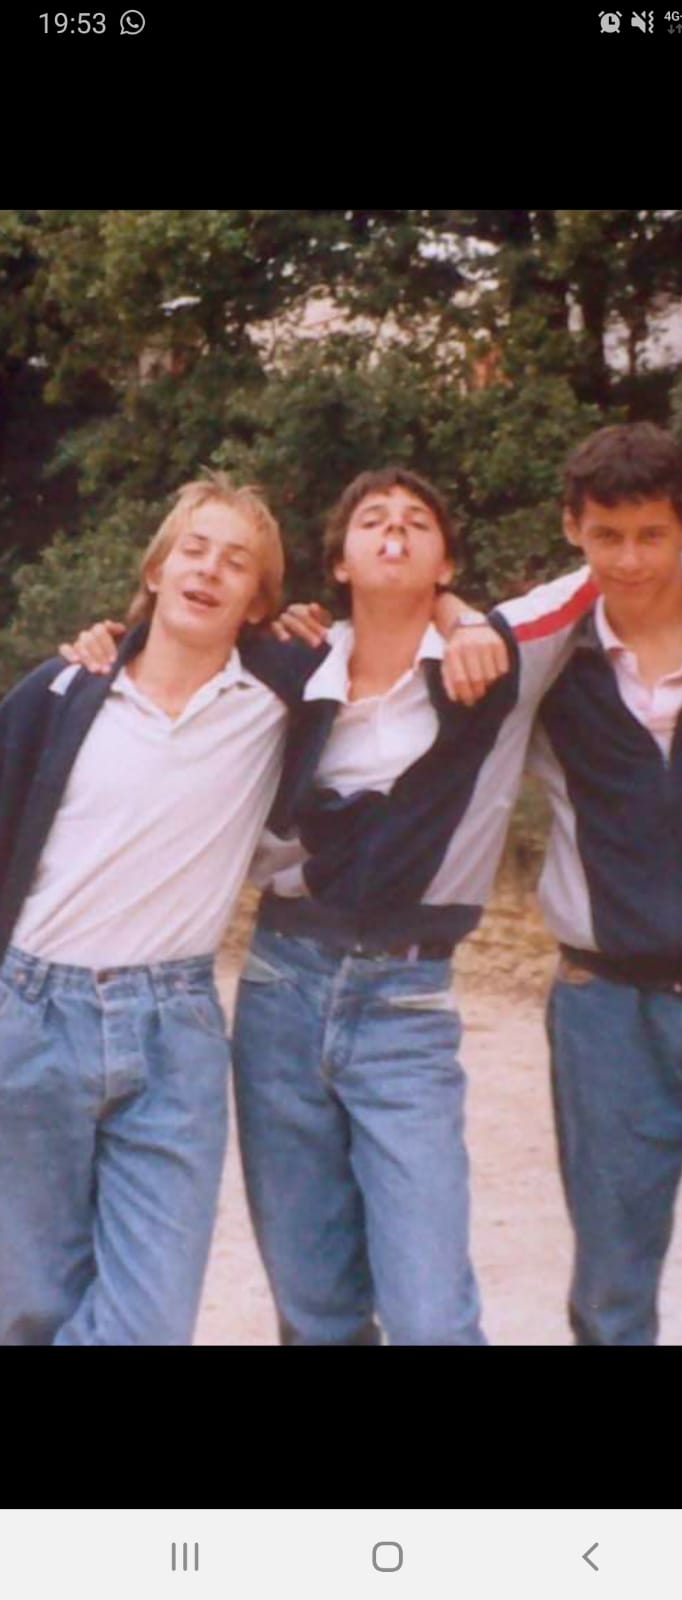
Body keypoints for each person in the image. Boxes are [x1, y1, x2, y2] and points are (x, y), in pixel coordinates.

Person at [63, 464, 682, 1347]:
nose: (394, 531)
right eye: (372, 520)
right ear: (340, 562)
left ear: (446, 564)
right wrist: (102, 645)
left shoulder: (498, 656)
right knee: (314, 1301)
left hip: (406, 997)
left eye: (416, 520)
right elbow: (176, 637)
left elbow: (621, 557)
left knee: (433, 1314)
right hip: (282, 988)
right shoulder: (287, 665)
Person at [0, 474, 304, 1345]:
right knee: (26, 1305)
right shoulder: (65, 689)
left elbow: (392, 641)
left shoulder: (276, 705)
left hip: (175, 1031)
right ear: (157, 569)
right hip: (31, 1014)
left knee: (151, 1318)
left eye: (236, 562)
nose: (209, 570)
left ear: (258, 602)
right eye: (194, 550)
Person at [522, 422, 682, 1344]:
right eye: (607, 535)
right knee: (613, 1293)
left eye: (653, 535)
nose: (630, 560)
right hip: (607, 1006)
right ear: (573, 530)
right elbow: (439, 631)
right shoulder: (549, 663)